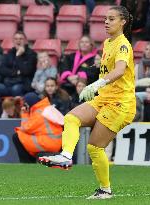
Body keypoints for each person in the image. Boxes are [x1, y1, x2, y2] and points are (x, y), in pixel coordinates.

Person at [39, 6, 136, 199]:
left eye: (111, 19)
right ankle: (66, 156)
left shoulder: (123, 44)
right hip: (104, 98)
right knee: (71, 118)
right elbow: (107, 66)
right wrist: (95, 72)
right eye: (105, 19)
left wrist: (98, 82)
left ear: (123, 22)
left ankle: (105, 190)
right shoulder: (108, 42)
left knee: (94, 147)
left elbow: (119, 70)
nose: (106, 22)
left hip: (120, 104)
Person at [14, 92, 62, 160]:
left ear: (28, 104)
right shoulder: (44, 108)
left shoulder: (38, 112)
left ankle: (26, 162)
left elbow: (26, 128)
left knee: (17, 136)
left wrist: (24, 113)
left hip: (50, 143)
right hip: (55, 141)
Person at [0, 31, 37, 97]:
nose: (18, 41)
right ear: (13, 41)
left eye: (21, 39)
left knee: (15, 89)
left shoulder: (31, 54)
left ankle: (20, 106)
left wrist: (18, 56)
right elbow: (2, 69)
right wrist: (16, 72)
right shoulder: (10, 53)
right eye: (16, 39)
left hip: (23, 84)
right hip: (8, 83)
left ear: (25, 41)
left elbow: (27, 71)